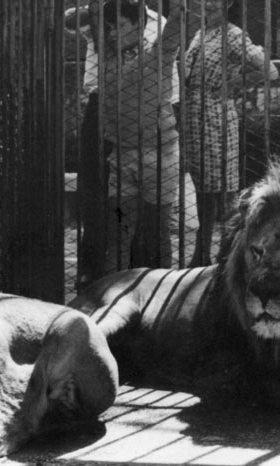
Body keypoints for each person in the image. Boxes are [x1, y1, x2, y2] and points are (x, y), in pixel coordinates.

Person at [67, 0, 195, 285]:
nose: (112, 32)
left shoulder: (157, 52)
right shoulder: (109, 59)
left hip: (158, 154)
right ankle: (112, 289)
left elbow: (176, 24)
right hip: (123, 155)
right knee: (119, 230)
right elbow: (79, 20)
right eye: (110, 27)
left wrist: (178, 9)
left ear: (139, 26)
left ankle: (161, 287)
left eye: (120, 26)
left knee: (157, 228)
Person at [184, 0, 278, 265]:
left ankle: (227, 252)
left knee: (221, 188)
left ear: (228, 4)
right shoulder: (201, 33)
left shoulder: (233, 35)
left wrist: (233, 84)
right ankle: (203, 252)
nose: (209, 4)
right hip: (194, 114)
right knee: (203, 187)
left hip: (215, 115)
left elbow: (269, 71)